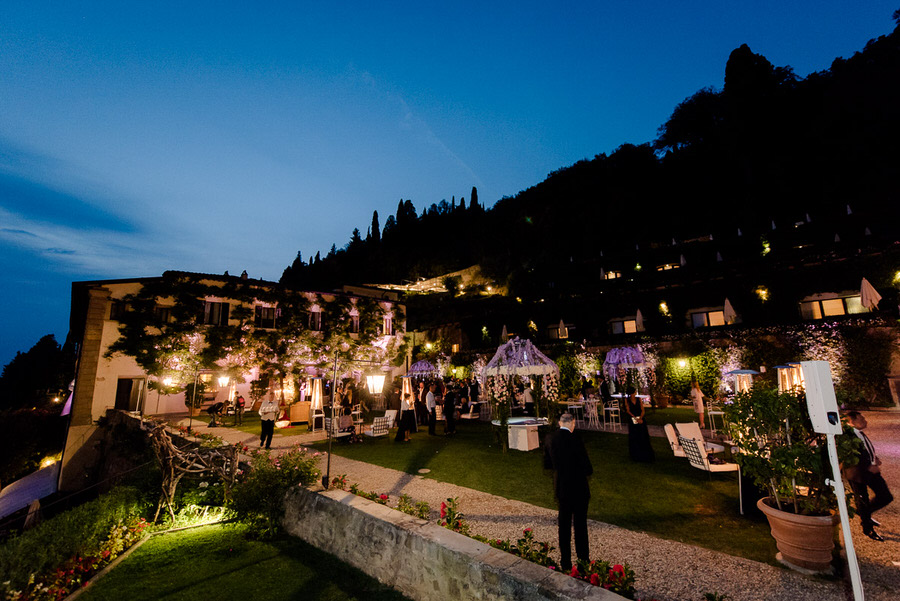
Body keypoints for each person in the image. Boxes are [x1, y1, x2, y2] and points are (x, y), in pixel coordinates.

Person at [543, 412, 593, 572]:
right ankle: (583, 561)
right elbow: (587, 467)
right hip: (579, 488)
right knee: (580, 526)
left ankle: (565, 562)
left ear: (559, 423)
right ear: (572, 423)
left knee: (564, 526)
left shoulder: (550, 439)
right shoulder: (576, 439)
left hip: (562, 488)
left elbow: (547, 464)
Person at [844, 411, 893, 541]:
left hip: (871, 470)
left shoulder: (858, 433)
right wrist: (868, 465)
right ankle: (868, 528)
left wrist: (874, 459)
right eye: (862, 418)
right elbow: (851, 455)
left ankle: (863, 513)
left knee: (885, 496)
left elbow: (865, 449)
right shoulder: (848, 436)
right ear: (852, 421)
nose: (865, 420)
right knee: (862, 500)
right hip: (857, 473)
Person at [624, 386, 655, 463]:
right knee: (634, 436)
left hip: (640, 418)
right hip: (633, 418)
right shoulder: (627, 400)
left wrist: (640, 418)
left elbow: (642, 410)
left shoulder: (639, 399)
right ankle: (635, 454)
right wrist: (634, 417)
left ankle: (645, 453)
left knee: (643, 435)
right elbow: (628, 410)